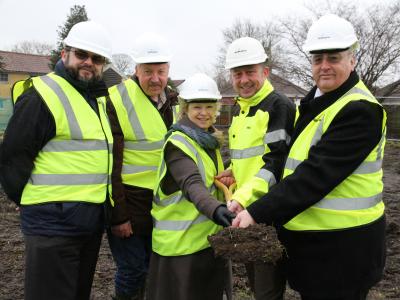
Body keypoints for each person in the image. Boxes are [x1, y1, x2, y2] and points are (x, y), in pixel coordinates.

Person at [233, 14, 387, 300]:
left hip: (344, 252)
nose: (324, 66)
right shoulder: (316, 102)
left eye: (333, 58)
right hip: (317, 249)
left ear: (352, 61)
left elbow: (313, 176)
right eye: (318, 59)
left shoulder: (359, 110)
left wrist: (256, 211)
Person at [0, 21, 114, 300]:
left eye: (96, 58)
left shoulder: (94, 98)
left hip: (86, 226)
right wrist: (30, 202)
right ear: (65, 54)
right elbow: (13, 158)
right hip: (52, 227)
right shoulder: (42, 95)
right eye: (82, 54)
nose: (89, 62)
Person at [216, 36, 296, 299]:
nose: (244, 79)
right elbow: (249, 156)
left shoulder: (277, 105)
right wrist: (232, 170)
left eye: (250, 71)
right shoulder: (241, 109)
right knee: (255, 282)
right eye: (237, 74)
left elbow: (276, 163)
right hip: (248, 209)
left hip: (267, 211)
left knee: (266, 289)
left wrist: (242, 197)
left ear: (265, 71)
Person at [147, 73, 235, 300]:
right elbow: (192, 184)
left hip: (206, 241)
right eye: (197, 107)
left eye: (209, 106)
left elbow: (206, 178)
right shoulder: (178, 143)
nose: (204, 113)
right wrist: (216, 209)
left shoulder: (208, 140)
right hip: (180, 247)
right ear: (185, 109)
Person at [107, 33, 179, 300]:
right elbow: (111, 163)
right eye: (148, 71)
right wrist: (118, 215)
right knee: (132, 270)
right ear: (135, 70)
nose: (155, 78)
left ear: (168, 71)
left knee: (151, 268)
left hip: (160, 205)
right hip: (129, 203)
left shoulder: (173, 101)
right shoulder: (117, 99)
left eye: (161, 71)